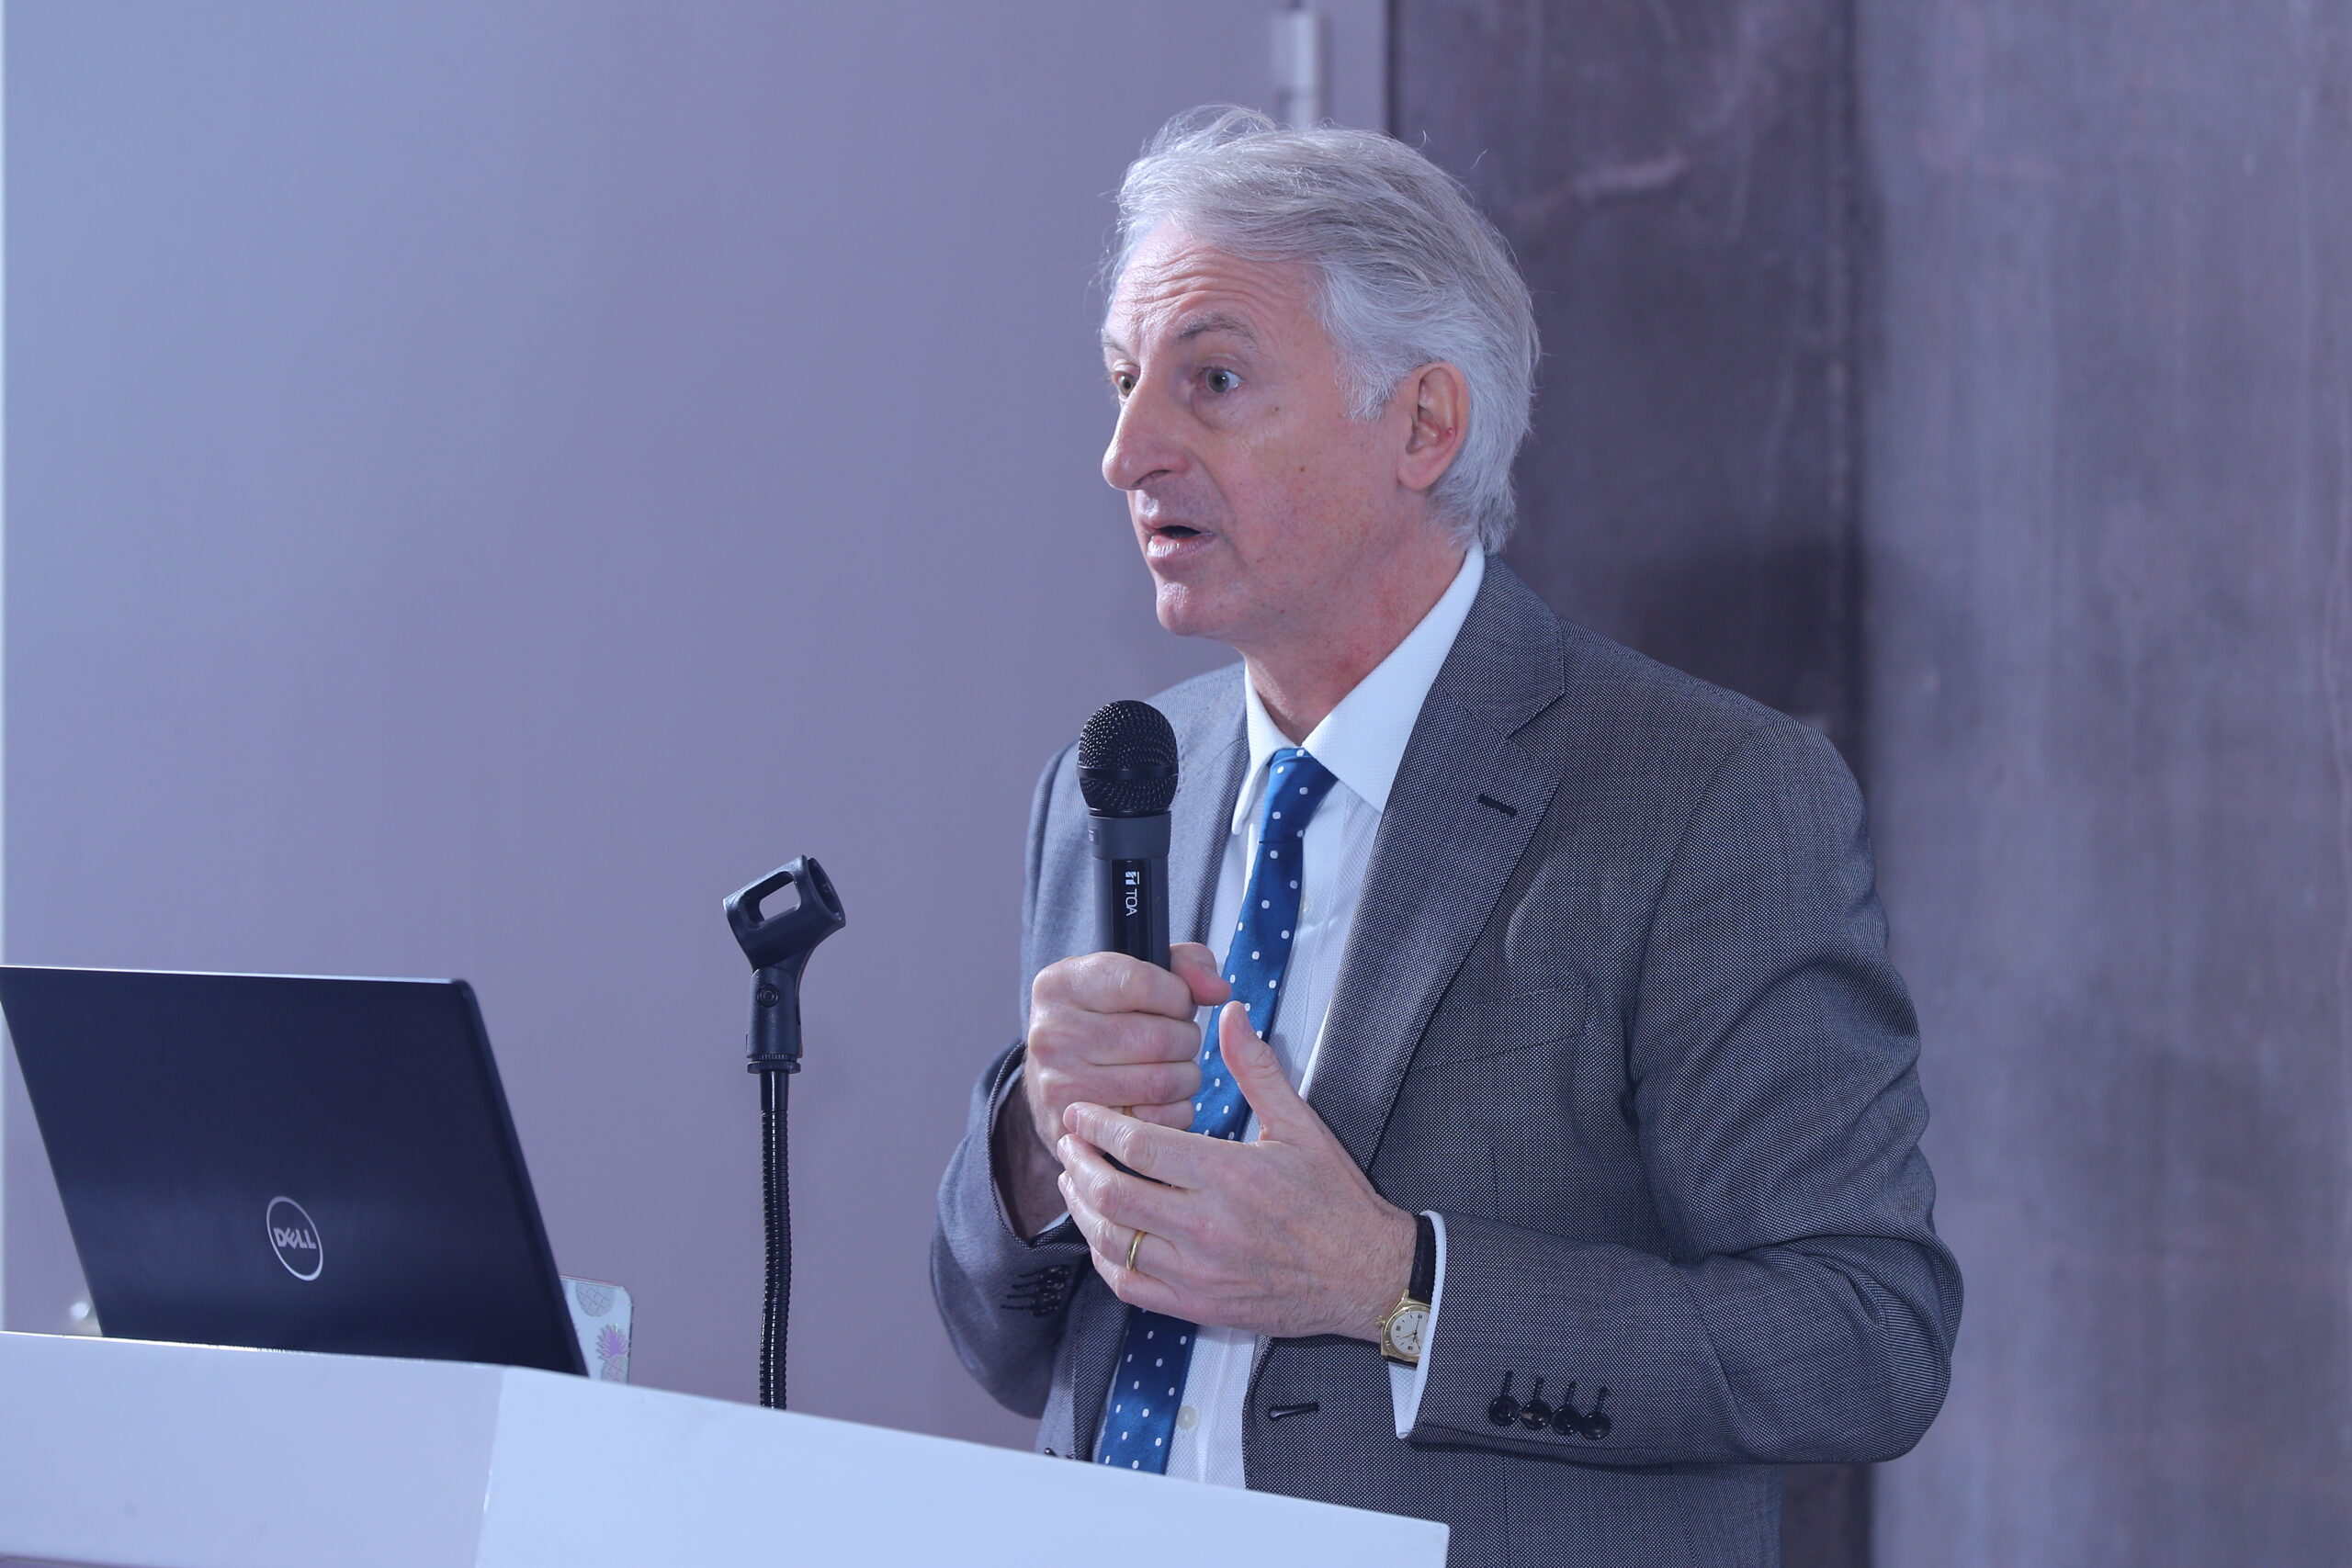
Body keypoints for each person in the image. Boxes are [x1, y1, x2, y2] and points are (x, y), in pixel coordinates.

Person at [931, 107, 1960, 1568]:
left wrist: (1395, 1286)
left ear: (1423, 425)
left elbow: (1865, 1338)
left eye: (1211, 379)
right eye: (1120, 381)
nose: (1126, 451)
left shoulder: (1708, 796)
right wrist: (1041, 1145)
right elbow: (1005, 1340)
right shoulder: (1115, 782)